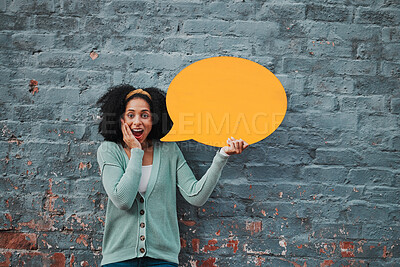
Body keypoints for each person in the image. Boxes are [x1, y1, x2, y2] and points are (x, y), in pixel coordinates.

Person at [96, 85, 248, 266]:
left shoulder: (168, 150)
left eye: (145, 115)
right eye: (130, 115)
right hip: (119, 259)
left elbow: (195, 196)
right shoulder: (109, 150)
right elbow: (122, 200)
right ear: (120, 119)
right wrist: (137, 152)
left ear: (154, 120)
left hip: (162, 259)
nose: (137, 122)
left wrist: (222, 156)